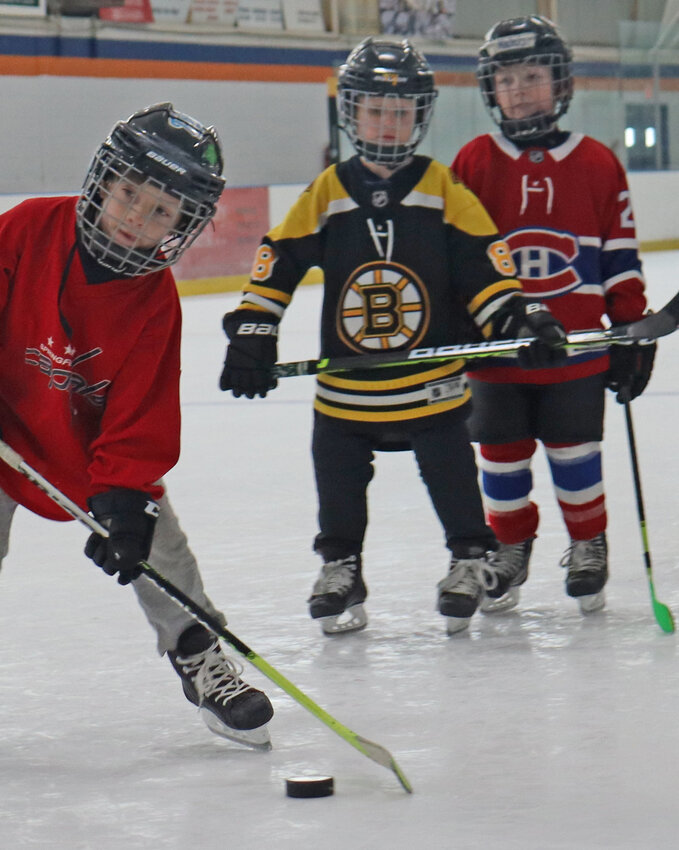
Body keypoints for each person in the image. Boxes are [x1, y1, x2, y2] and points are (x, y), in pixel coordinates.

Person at [0, 103, 273, 760]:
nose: (136, 216)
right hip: (5, 430)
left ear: (182, 226)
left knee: (159, 550)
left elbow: (142, 413)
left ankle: (197, 654)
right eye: (129, 194)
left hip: (93, 454)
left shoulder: (153, 302)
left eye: (160, 212)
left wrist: (126, 494)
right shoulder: (30, 229)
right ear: (104, 179)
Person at [218, 37, 566, 636]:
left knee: (451, 470)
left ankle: (470, 557)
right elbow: (279, 258)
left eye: (401, 111)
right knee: (337, 473)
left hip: (430, 386)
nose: (388, 122)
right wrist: (253, 329)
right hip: (348, 390)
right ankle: (341, 566)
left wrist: (521, 322)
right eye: (376, 109)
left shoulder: (443, 188)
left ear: (420, 115)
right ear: (352, 112)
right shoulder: (329, 190)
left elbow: (486, 267)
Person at [451, 16, 655, 615]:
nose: (518, 89)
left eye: (532, 75)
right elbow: (458, 259)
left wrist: (632, 331)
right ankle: (510, 549)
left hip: (579, 351)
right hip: (496, 354)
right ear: (491, 88)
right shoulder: (472, 162)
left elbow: (620, 256)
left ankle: (589, 543)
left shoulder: (597, 163)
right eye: (506, 78)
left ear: (560, 82)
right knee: (501, 456)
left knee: (575, 455)